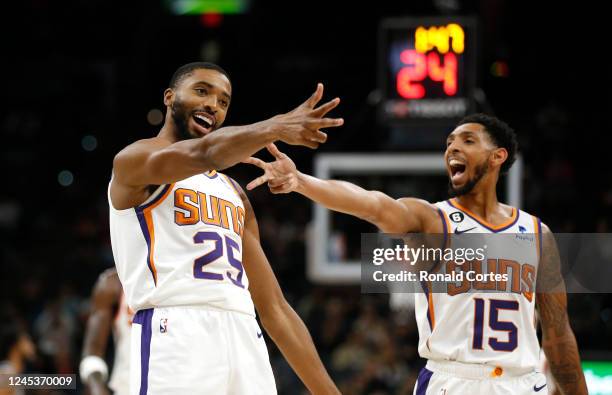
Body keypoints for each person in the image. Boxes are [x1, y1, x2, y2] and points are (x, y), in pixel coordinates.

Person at [243, 113, 588, 395]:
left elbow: (558, 334)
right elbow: (372, 204)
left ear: (498, 156)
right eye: (449, 141)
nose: (453, 146)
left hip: (524, 382)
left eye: (467, 140)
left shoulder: (537, 234)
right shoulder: (431, 220)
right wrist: (302, 182)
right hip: (453, 382)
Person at [108, 61, 343, 394]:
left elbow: (274, 308)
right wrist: (274, 126)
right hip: (176, 331)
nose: (212, 105)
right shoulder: (135, 161)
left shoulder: (234, 193)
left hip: (244, 333)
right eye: (202, 91)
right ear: (170, 97)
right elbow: (206, 153)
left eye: (223, 101)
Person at [80, 268, 132, 395]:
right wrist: (97, 387)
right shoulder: (112, 283)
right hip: (128, 387)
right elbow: (93, 351)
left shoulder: (186, 274)